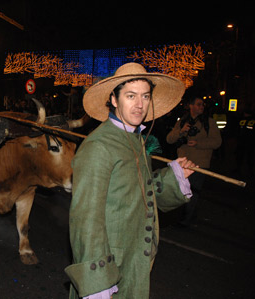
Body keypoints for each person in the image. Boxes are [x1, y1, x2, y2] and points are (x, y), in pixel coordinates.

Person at [65, 62, 196, 299]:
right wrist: (98, 281)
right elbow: (86, 219)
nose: (140, 104)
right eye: (131, 96)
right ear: (114, 100)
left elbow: (139, 190)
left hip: (133, 260)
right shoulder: (98, 147)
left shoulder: (135, 139)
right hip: (110, 268)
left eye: (145, 96)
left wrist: (174, 176)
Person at [166, 96, 221, 226]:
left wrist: (198, 143)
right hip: (182, 163)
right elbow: (169, 139)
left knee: (192, 192)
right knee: (180, 191)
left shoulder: (209, 122)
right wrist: (181, 131)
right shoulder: (183, 121)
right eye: (198, 104)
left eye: (202, 105)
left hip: (199, 164)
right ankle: (187, 215)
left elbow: (217, 142)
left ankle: (185, 219)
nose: (201, 107)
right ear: (190, 106)